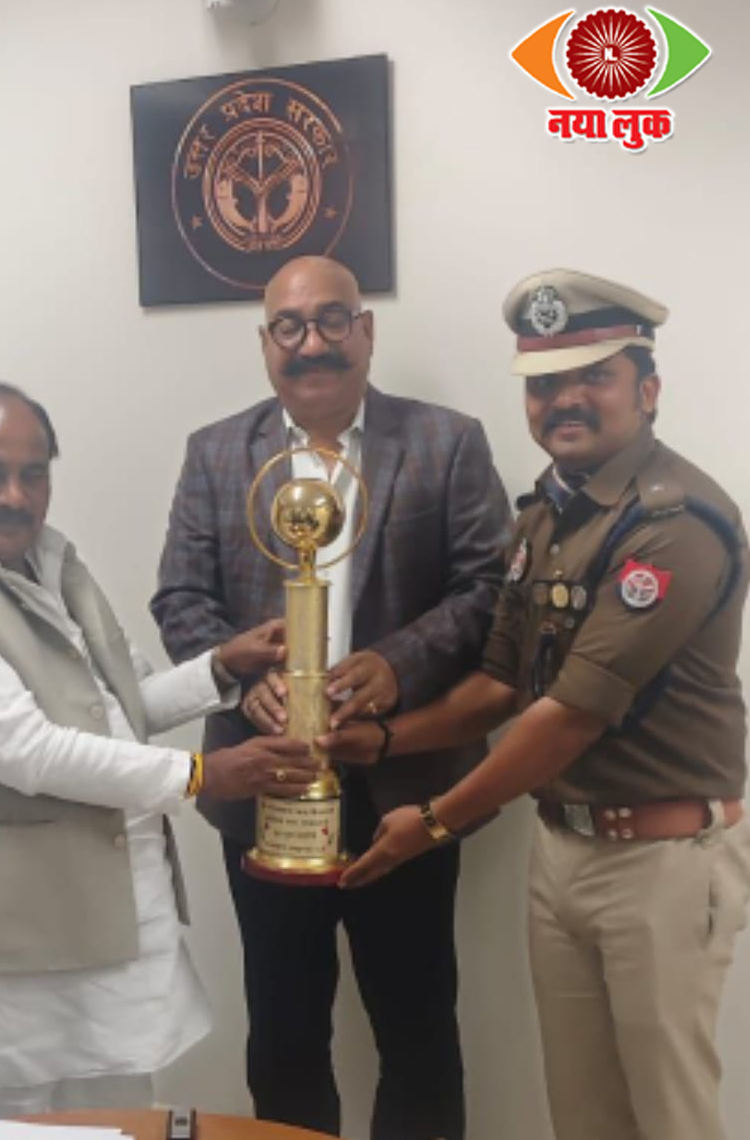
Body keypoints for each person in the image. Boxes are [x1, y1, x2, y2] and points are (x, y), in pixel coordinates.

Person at [320, 269, 750, 1140]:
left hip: (660, 860)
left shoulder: (674, 522)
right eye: (545, 382)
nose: (565, 400)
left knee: (668, 1116)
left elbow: (567, 717)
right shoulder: (546, 517)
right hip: (561, 850)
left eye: (593, 376)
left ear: (647, 389)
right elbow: (502, 687)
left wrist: (433, 821)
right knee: (581, 1116)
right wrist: (384, 741)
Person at [0, 382, 318, 1123]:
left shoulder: (52, 563)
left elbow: (122, 710)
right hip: (16, 941)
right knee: (16, 1128)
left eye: (33, 473)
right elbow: (26, 752)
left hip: (109, 915)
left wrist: (220, 667)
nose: (15, 496)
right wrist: (201, 775)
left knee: (118, 1120)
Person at [151, 256, 510, 1140]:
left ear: (366, 330)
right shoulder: (214, 453)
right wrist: (251, 681)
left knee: (418, 1035)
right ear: (264, 342)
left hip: (405, 788)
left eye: (331, 320)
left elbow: (488, 588)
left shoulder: (445, 442)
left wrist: (397, 662)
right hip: (264, 788)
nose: (310, 342)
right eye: (288, 326)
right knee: (283, 1039)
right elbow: (180, 599)